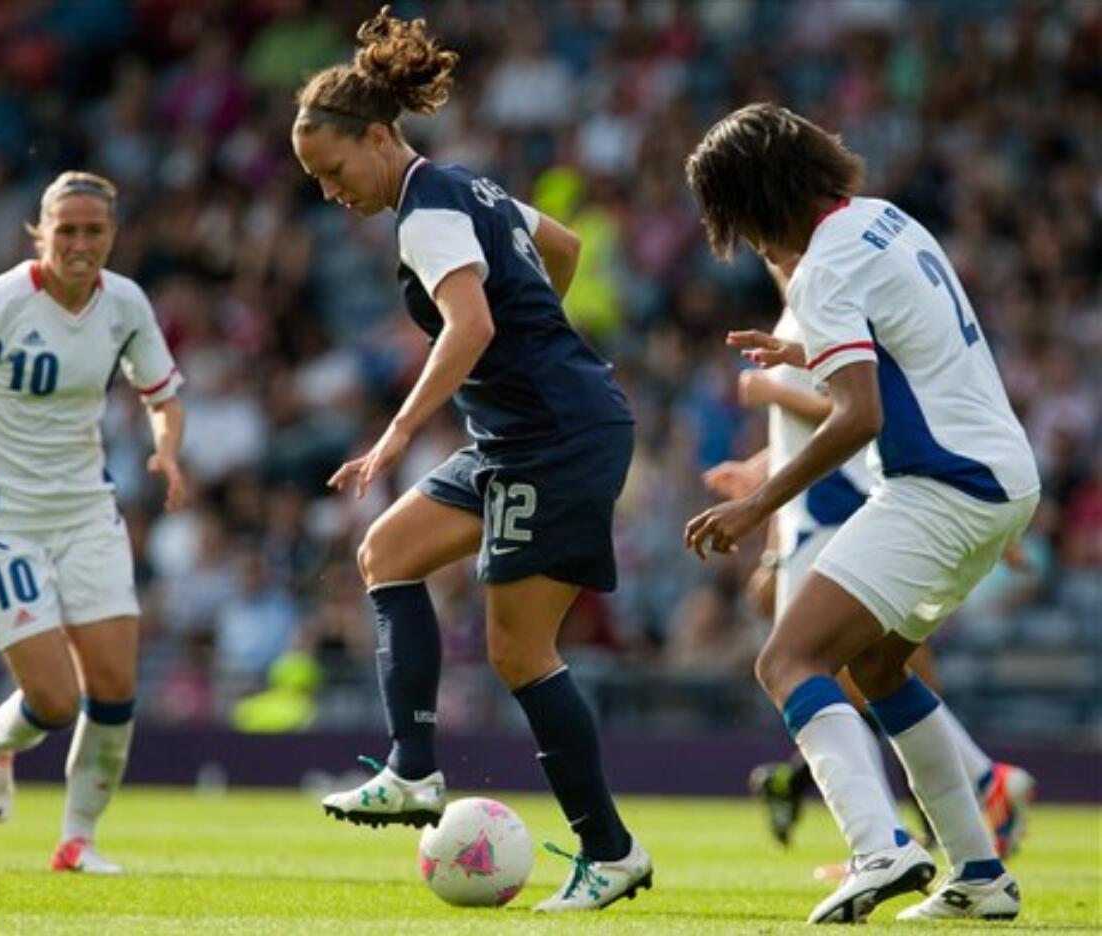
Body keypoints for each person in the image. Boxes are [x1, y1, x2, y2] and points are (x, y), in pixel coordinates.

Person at [290, 7, 651, 912]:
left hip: (556, 437)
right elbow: (558, 248)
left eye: (333, 171)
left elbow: (472, 324)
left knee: (521, 652)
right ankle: (414, 769)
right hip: (523, 430)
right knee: (387, 554)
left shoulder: (426, 212)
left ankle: (610, 853)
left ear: (378, 136)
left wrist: (399, 432)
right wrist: (540, 339)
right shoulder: (466, 187)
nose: (329, 191)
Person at [683, 103, 1040, 923]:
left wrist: (759, 505)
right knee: (878, 669)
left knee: (788, 660)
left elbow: (858, 416)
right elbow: (909, 351)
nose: (750, 243)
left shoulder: (824, 267)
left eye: (737, 219)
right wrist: (802, 353)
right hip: (1000, 477)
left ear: (759, 200)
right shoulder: (885, 221)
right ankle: (980, 875)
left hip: (941, 483)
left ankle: (879, 851)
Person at [0, 171, 187, 873]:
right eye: (67, 231)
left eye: (94, 231)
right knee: (55, 700)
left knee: (116, 685)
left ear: (113, 235)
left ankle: (78, 839)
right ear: (41, 233)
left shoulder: (124, 304)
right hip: (1, 521)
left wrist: (167, 452)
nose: (81, 244)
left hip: (87, 512)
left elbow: (163, 394)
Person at [705, 296, 1035, 869]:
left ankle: (894, 837)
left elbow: (852, 409)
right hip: (832, 512)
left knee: (816, 670)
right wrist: (760, 470)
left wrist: (773, 394)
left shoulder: (821, 296)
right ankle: (961, 799)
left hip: (839, 514)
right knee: (867, 676)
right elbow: (823, 424)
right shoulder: (809, 300)